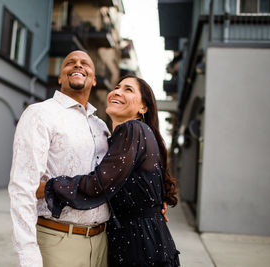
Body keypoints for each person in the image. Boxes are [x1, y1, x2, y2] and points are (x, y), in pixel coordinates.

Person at [38, 75, 180, 267]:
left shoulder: (132, 129)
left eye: (128, 89)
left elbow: (98, 185)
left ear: (143, 108)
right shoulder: (133, 135)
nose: (117, 92)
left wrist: (49, 187)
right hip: (144, 240)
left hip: (139, 247)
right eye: (117, 87)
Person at [8, 50, 111, 267]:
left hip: (102, 243)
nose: (78, 65)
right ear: (60, 76)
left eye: (85, 63)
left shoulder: (100, 126)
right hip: (58, 240)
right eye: (70, 63)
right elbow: (22, 188)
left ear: (93, 80)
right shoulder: (40, 113)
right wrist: (28, 254)